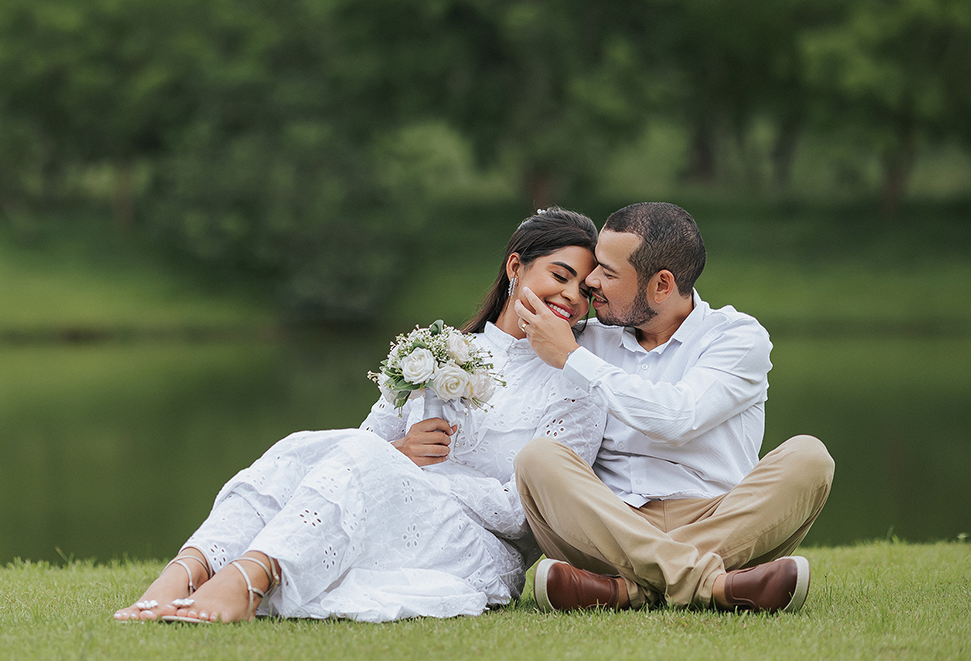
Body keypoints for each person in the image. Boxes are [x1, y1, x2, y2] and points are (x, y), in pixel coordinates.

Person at [113, 208, 608, 624]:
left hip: (475, 544)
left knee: (361, 458)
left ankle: (249, 580)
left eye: (584, 291)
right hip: (391, 502)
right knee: (299, 446)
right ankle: (185, 572)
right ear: (515, 267)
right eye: (559, 276)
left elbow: (528, 519)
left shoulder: (577, 385)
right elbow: (364, 445)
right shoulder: (439, 350)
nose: (570, 297)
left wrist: (418, 474)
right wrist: (400, 453)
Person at [512, 202, 834, 613]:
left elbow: (677, 418)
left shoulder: (736, 337)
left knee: (810, 458)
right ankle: (710, 584)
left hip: (719, 520)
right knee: (538, 458)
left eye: (608, 272)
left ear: (661, 285)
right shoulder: (583, 338)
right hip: (610, 522)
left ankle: (625, 589)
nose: (591, 281)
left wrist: (574, 360)